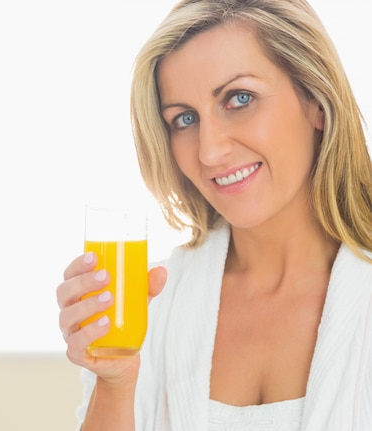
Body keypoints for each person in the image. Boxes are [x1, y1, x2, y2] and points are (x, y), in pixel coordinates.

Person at [56, 0, 372, 429]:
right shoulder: (150, 310)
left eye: (239, 99)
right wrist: (115, 383)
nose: (209, 151)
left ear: (316, 100)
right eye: (184, 119)